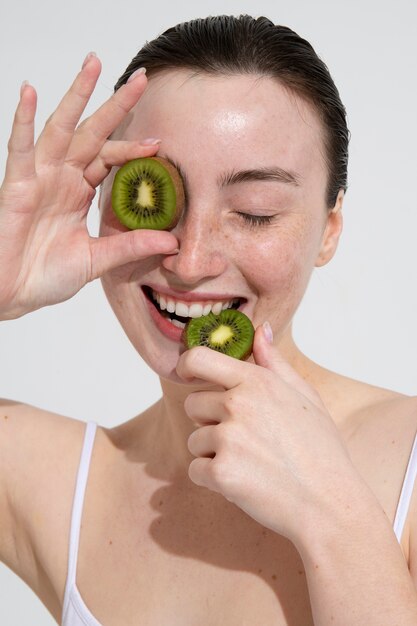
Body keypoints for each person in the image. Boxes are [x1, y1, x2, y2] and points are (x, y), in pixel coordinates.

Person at [1, 14, 417, 626]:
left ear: (329, 230)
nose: (191, 261)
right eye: (155, 196)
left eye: (253, 213)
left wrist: (335, 514)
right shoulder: (55, 483)